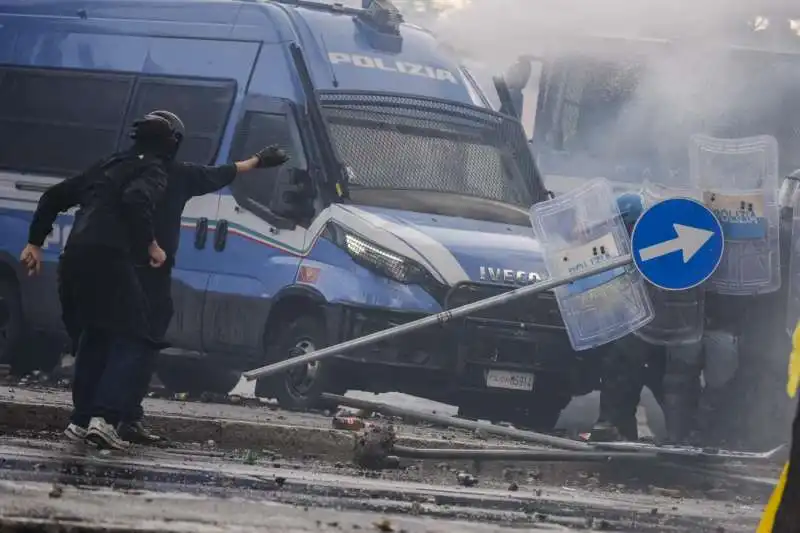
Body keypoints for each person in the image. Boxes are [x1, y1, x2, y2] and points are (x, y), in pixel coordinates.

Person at [114, 110, 290, 445]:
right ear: (175, 143)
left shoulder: (115, 168)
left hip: (110, 268)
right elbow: (222, 173)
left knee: (109, 341)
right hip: (150, 274)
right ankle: (121, 417)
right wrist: (259, 160)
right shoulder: (176, 175)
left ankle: (97, 416)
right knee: (141, 342)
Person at [20, 112, 176, 450]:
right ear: (169, 143)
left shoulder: (108, 164)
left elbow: (53, 197)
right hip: (108, 256)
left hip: (75, 255)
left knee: (97, 334)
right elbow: (136, 199)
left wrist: (34, 241)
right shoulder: (153, 169)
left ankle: (80, 420)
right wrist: (151, 244)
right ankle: (104, 420)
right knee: (136, 336)